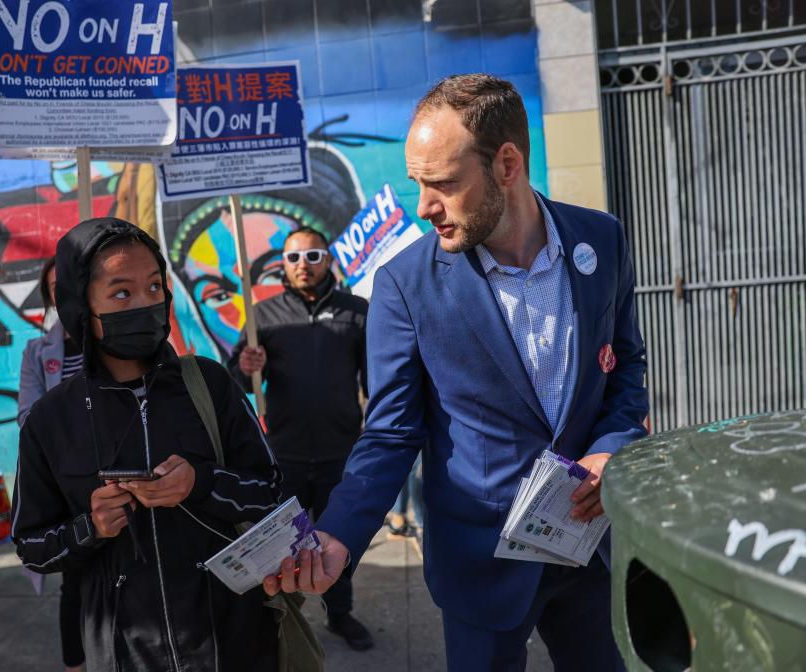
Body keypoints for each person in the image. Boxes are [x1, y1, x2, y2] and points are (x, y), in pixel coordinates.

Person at [264, 73, 649, 671]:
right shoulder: (403, 285)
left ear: (507, 164)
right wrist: (340, 532)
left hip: (589, 546)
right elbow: (391, 431)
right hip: (481, 563)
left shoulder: (603, 240)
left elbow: (625, 370)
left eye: (442, 183)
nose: (424, 207)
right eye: (418, 184)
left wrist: (611, 447)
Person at [11, 217, 283, 671]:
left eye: (154, 287)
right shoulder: (50, 421)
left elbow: (272, 492)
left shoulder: (209, 384)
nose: (144, 303)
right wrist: (91, 526)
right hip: (125, 652)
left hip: (234, 640)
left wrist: (201, 483)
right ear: (81, 307)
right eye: (122, 293)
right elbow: (32, 546)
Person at [229, 227, 373, 651]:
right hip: (285, 454)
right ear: (282, 265)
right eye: (294, 258)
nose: (303, 265)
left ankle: (340, 613)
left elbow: (377, 382)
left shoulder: (356, 311)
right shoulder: (263, 317)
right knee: (278, 546)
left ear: (327, 259)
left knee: (337, 543)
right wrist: (245, 364)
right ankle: (278, 617)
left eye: (312, 255)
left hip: (340, 452)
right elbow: (234, 382)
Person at [17, 256, 85, 672]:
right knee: (75, 580)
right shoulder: (36, 352)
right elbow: (28, 418)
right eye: (56, 287)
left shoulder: (125, 345)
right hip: (69, 485)